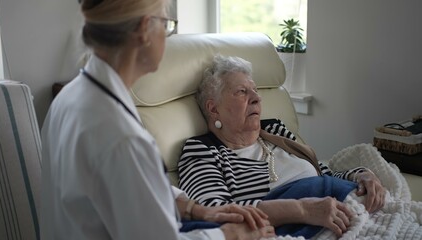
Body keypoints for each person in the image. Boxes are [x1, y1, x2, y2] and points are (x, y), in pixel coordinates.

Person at [40, 1, 276, 239]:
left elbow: (127, 192)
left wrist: (196, 210)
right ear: (145, 30)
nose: (168, 36)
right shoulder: (121, 136)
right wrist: (229, 235)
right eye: (167, 25)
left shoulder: (68, 99)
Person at [178, 55, 387, 238]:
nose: (257, 98)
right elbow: (214, 213)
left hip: (347, 211)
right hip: (300, 229)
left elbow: (324, 175)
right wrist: (302, 209)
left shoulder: (275, 131)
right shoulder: (201, 151)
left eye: (255, 90)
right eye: (242, 92)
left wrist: (361, 176)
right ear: (213, 109)